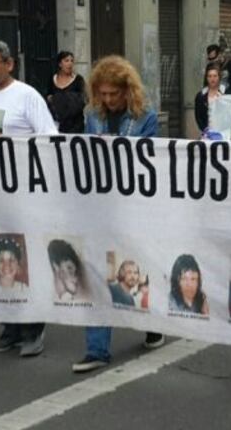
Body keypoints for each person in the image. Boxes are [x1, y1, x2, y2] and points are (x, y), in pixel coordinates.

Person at [73, 56, 165, 375]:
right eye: (103, 94)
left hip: (133, 207)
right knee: (97, 271)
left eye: (114, 94)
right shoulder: (92, 117)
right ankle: (96, 348)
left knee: (133, 268)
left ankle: (150, 322)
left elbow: (150, 160)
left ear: (128, 91)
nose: (109, 100)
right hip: (100, 207)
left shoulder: (145, 118)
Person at [0, 38, 57, 358]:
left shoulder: (27, 95)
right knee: (1, 258)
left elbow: (49, 140)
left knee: (27, 260)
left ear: (9, 64)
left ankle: (33, 328)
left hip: (25, 194)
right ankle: (10, 327)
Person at [46, 51, 86, 134]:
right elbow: (48, 95)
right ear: (60, 64)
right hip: (57, 124)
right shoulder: (53, 78)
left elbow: (83, 98)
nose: (70, 63)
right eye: (66, 61)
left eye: (72, 61)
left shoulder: (78, 80)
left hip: (75, 125)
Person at [193, 63, 225, 134]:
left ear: (219, 77)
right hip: (207, 133)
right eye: (209, 76)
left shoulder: (225, 93)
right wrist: (205, 130)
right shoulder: (200, 96)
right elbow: (198, 117)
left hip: (224, 132)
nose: (212, 79)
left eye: (215, 76)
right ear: (206, 78)